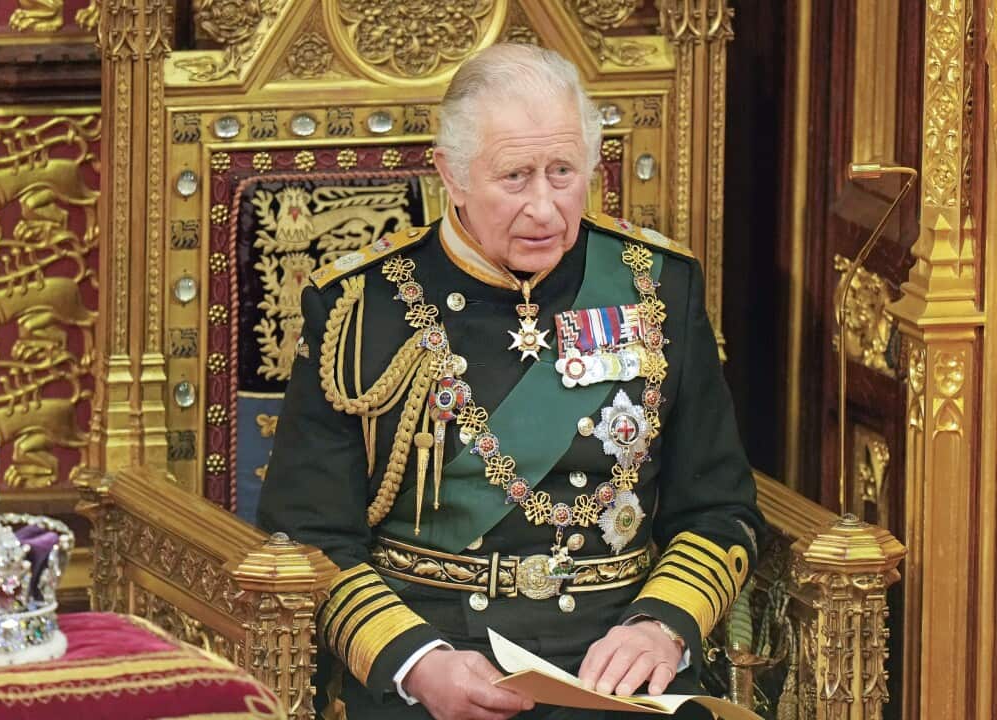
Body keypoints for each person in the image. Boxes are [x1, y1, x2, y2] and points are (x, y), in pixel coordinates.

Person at [259, 43, 763, 720]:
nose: (545, 208)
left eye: (563, 172)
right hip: (436, 657)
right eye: (515, 176)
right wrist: (414, 663)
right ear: (452, 175)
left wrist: (662, 626)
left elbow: (719, 508)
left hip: (616, 656)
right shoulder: (362, 306)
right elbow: (308, 533)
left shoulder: (657, 286)